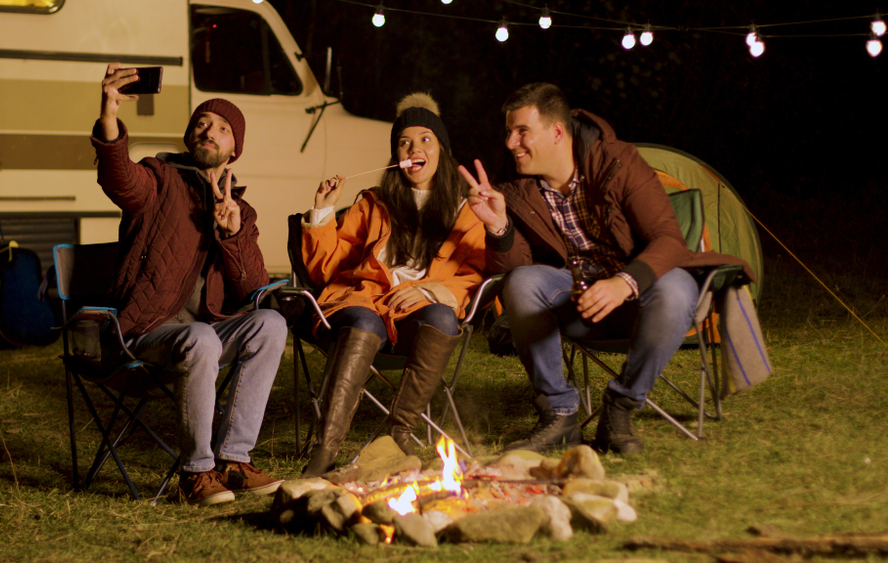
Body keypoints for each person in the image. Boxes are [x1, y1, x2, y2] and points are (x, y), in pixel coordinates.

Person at [460, 83, 755, 455]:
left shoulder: (617, 161)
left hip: (637, 300)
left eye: (522, 132)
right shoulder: (516, 186)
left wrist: (623, 283)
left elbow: (669, 239)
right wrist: (498, 227)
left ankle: (619, 408)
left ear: (556, 132)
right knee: (522, 282)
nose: (510, 143)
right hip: (575, 301)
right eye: (508, 132)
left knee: (678, 287)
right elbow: (513, 270)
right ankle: (560, 414)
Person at [91, 63, 287, 505]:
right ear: (189, 136)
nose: (208, 130)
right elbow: (118, 178)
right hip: (142, 333)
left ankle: (235, 461)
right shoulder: (158, 179)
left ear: (234, 149)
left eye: (221, 128)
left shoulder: (241, 209)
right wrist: (109, 117)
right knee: (199, 338)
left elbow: (251, 288)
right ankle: (196, 474)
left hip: (207, 334)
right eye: (201, 123)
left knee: (271, 324)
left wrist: (234, 234)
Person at [299, 93, 485, 477]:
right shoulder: (374, 203)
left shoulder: (465, 211)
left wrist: (431, 290)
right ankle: (325, 449)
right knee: (364, 320)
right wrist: (323, 211)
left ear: (443, 151)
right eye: (405, 142)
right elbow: (327, 268)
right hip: (367, 304)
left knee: (443, 317)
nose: (414, 149)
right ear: (396, 155)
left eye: (425, 140)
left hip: (418, 315)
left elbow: (475, 272)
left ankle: (398, 436)